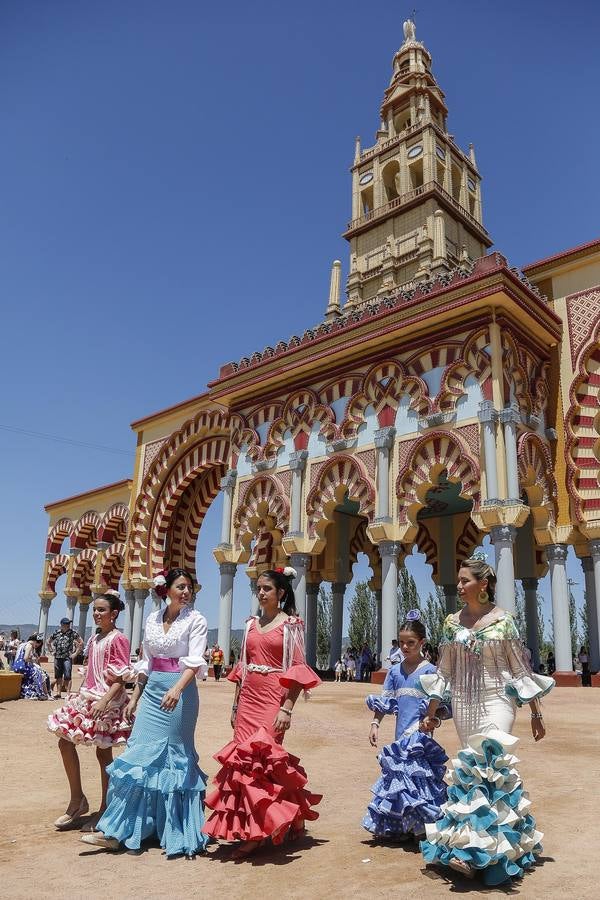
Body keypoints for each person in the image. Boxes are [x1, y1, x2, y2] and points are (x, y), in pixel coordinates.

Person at [418, 557, 555, 885]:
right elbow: (444, 671)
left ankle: (486, 854)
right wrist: (431, 713)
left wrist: (535, 713)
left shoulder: (504, 621)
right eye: (459, 580)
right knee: (472, 775)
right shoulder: (451, 623)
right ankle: (475, 850)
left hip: (498, 699)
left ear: (483, 584)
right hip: (464, 702)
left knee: (491, 761)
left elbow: (520, 670)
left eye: (465, 580)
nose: (459, 586)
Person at [82, 568, 210, 858]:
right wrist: (135, 697)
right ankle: (121, 829)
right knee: (137, 756)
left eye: (189, 587)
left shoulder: (196, 620)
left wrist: (177, 689)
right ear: (167, 590)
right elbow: (146, 662)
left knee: (172, 758)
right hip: (152, 692)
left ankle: (173, 828)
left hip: (180, 692)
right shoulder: (152, 619)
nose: (186, 592)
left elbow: (194, 661)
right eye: (181, 587)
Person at [202, 566, 322, 859]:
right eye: (258, 588)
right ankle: (270, 823)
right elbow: (242, 668)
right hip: (248, 701)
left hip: (272, 699)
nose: (261, 593)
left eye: (267, 588)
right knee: (242, 762)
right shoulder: (251, 625)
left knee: (264, 761)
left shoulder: (291, 626)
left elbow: (297, 670)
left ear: (280, 593)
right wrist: (235, 705)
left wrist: (286, 709)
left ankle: (258, 833)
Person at [48, 592, 132, 830]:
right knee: (65, 742)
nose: (96, 613)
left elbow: (121, 677)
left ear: (114, 614)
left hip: (107, 701)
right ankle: (78, 800)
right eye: (95, 609)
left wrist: (105, 701)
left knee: (103, 753)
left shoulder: (118, 639)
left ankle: (106, 808)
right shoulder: (95, 639)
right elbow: (92, 671)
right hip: (88, 697)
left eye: (101, 610)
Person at [363, 612, 449, 842]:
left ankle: (423, 826)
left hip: (421, 736)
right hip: (400, 735)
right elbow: (386, 701)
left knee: (419, 778)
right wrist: (375, 723)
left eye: (410, 642)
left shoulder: (431, 671)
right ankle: (402, 825)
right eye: (401, 642)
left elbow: (439, 706)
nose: (405, 647)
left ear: (422, 642)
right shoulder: (394, 672)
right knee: (400, 779)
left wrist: (433, 720)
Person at [48, 618, 83, 699]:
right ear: (62, 624)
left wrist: (76, 653)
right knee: (58, 676)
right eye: (66, 624)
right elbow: (48, 641)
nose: (68, 625)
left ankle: (68, 693)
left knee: (67, 675)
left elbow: (81, 642)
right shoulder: (56, 633)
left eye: (68, 624)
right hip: (57, 657)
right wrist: (51, 651)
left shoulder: (73, 633)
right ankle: (58, 693)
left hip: (67, 657)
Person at [12, 634, 49, 699]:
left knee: (38, 671)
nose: (37, 646)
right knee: (41, 673)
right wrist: (34, 660)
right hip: (23, 667)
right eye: (37, 644)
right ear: (35, 641)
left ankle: (41, 693)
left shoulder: (22, 644)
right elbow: (26, 658)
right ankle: (43, 693)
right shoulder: (29, 645)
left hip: (16, 666)